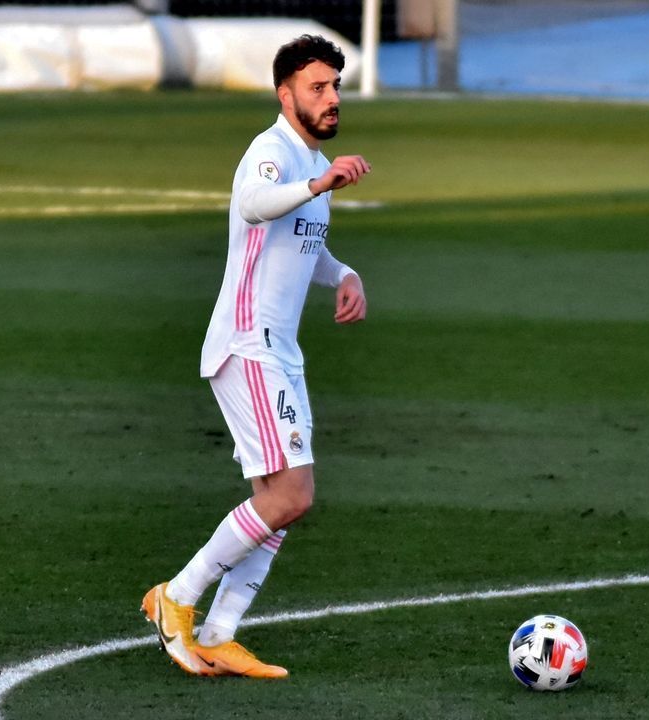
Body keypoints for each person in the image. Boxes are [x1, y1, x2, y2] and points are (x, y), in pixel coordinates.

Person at [141, 34, 370, 678]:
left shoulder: (312, 165)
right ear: (285, 94)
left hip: (279, 351)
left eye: (335, 86)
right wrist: (318, 181)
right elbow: (253, 205)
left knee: (279, 498)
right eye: (317, 87)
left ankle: (218, 634)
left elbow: (302, 245)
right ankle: (176, 597)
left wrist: (344, 273)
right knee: (291, 494)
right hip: (248, 345)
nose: (331, 98)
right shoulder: (271, 153)